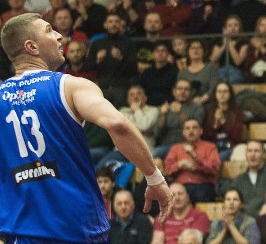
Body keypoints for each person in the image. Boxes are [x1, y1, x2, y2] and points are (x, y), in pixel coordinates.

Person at [0, 13, 172, 242]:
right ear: (31, 46)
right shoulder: (70, 86)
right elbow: (117, 124)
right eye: (49, 30)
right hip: (76, 228)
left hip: (20, 233)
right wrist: (154, 177)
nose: (59, 36)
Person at [228, 140, 266, 217]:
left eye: (256, 151)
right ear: (246, 154)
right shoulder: (239, 180)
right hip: (245, 222)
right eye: (249, 151)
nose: (252, 155)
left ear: (263, 154)